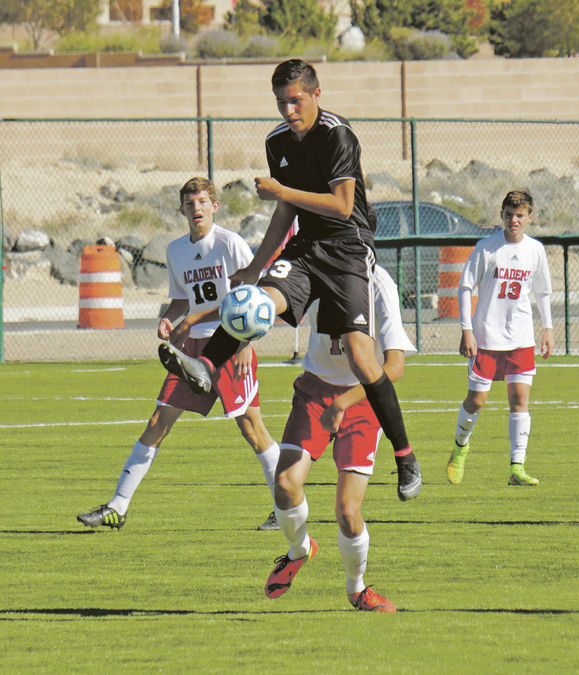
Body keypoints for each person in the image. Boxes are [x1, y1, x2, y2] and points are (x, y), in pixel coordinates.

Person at [156, 59, 421, 502]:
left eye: (295, 100)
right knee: (255, 301)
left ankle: (405, 455)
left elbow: (340, 205)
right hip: (306, 247)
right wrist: (257, 266)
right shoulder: (277, 141)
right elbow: (286, 214)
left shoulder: (338, 134)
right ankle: (206, 364)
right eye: (281, 101)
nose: (287, 110)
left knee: (361, 356)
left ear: (316, 94)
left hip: (348, 249)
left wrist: (280, 190)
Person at [78, 177, 279, 531]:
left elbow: (255, 298)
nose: (196, 209)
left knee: (253, 430)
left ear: (215, 206)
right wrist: (168, 320)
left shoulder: (230, 244)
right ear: (182, 209)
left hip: (230, 344)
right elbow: (183, 299)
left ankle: (285, 506)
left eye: (202, 202)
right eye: (189, 204)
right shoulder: (176, 250)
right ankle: (117, 507)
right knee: (158, 423)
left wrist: (247, 343)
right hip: (190, 351)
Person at [264, 265, 414, 612]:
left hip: (362, 400)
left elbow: (395, 367)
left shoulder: (380, 284)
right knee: (285, 485)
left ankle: (357, 590)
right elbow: (279, 300)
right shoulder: (312, 269)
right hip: (315, 390)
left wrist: (345, 402)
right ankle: (300, 550)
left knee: (348, 511)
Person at [446, 190, 554, 486]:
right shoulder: (487, 248)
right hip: (487, 338)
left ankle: (516, 467)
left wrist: (548, 328)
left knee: (520, 399)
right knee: (477, 401)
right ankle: (460, 447)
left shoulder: (535, 250)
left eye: (520, 215)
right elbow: (466, 287)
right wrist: (467, 330)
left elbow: (543, 291)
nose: (514, 220)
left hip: (520, 338)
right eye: (509, 214)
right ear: (502, 215)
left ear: (530, 217)